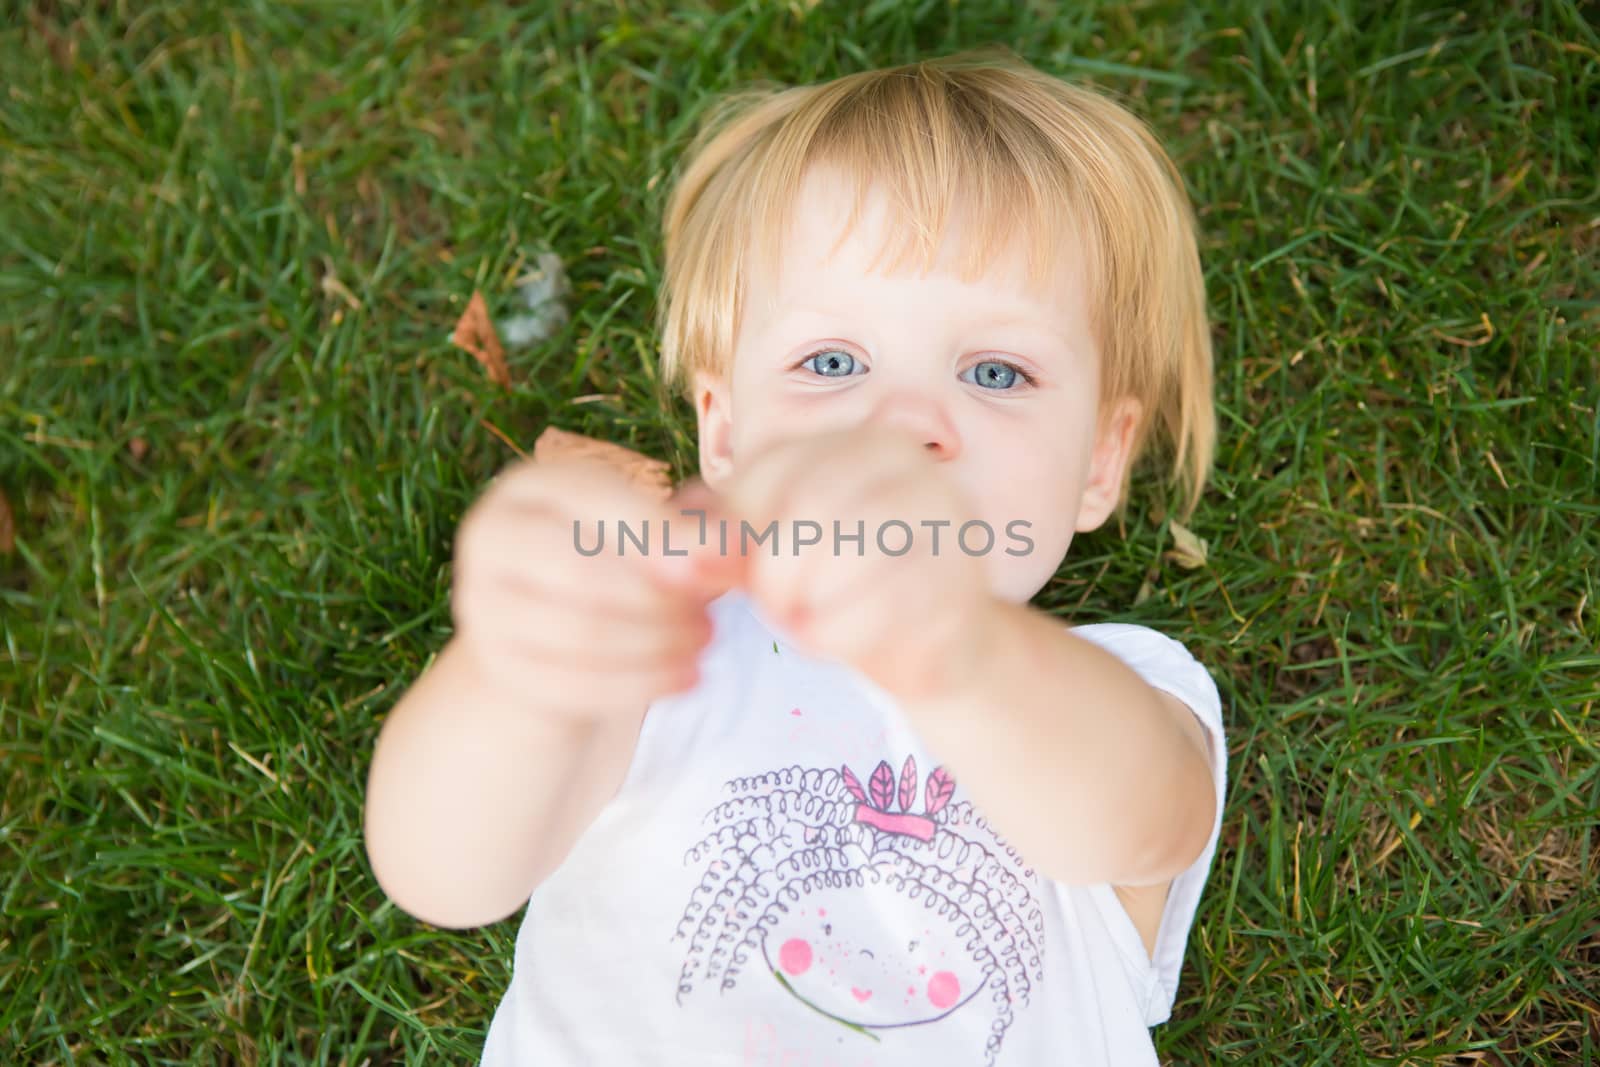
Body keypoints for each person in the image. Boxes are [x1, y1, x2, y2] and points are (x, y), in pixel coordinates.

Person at [364, 47, 1226, 1067]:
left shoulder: (1126, 687)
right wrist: (519, 667)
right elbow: (443, 875)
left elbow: (1142, 823)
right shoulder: (662, 644)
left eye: (996, 370)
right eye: (831, 362)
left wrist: (961, 646)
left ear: (1098, 460)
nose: (903, 423)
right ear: (724, 434)